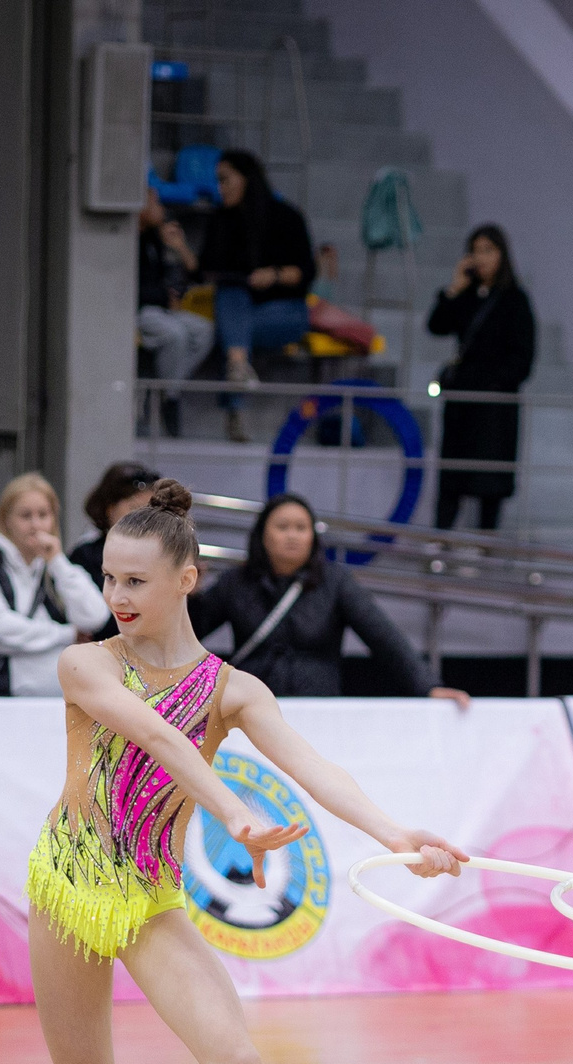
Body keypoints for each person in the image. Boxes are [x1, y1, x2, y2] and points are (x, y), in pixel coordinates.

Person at [23, 480, 465, 1064]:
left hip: (147, 897)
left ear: (189, 577)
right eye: (110, 577)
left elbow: (312, 762)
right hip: (68, 885)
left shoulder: (233, 689)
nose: (117, 596)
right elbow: (159, 742)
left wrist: (395, 832)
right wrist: (230, 812)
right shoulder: (88, 666)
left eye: (137, 579)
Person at [189, 492, 470, 704]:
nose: (293, 536)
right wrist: (186, 598)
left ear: (313, 536)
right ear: (262, 535)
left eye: (301, 528)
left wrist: (428, 686)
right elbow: (191, 634)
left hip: (319, 706)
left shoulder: (335, 582)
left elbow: (384, 637)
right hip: (252, 709)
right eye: (283, 527)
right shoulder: (236, 582)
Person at [198, 150, 315, 443]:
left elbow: (305, 271)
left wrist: (273, 275)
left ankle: (236, 368)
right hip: (236, 306)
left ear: (246, 179)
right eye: (217, 181)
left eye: (225, 180)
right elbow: (205, 270)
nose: (220, 188)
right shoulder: (221, 220)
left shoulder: (285, 216)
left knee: (234, 327)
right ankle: (238, 367)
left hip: (283, 311)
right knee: (231, 294)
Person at [0, 474, 110, 697]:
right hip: (1, 699)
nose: (36, 525)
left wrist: (58, 562)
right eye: (25, 516)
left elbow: (95, 616)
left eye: (43, 515)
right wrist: (66, 635)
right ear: (5, 519)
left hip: (57, 701)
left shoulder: (54, 566)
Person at [427, 224, 536, 531]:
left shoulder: (515, 300)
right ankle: (439, 544)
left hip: (493, 407)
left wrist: (490, 382)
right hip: (461, 402)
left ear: (502, 254)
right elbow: (436, 325)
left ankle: (486, 547)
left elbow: (523, 360)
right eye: (476, 251)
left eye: (489, 250)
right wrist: (454, 288)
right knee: (452, 478)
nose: (482, 258)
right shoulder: (467, 296)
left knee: (490, 482)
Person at [135, 189, 213, 439]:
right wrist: (163, 297)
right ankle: (170, 398)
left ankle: (164, 390)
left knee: (203, 330)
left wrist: (180, 248)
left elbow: (197, 276)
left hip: (163, 309)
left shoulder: (157, 237)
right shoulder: (128, 237)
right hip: (138, 311)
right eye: (154, 201)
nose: (160, 207)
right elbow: (128, 289)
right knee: (176, 335)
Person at [68, 462, 161, 583]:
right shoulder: (85, 556)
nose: (143, 518)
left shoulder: (162, 553)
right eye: (134, 508)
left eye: (150, 509)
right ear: (110, 509)